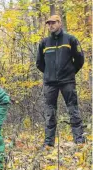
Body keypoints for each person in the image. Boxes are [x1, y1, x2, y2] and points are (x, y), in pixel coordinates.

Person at [36, 15, 85, 147]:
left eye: (53, 23)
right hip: (50, 83)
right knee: (50, 113)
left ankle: (79, 141)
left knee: (73, 110)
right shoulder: (44, 43)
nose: (50, 25)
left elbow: (80, 59)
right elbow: (39, 63)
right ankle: (48, 143)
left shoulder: (70, 39)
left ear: (59, 23)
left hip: (67, 81)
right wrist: (49, 74)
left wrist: (70, 72)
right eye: (49, 23)